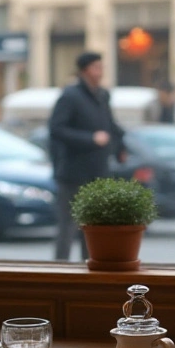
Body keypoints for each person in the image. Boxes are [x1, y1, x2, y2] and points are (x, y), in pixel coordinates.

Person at [47, 51, 125, 262]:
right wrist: (90, 138)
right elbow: (56, 129)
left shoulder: (102, 95)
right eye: (96, 68)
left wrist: (120, 147)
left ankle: (89, 268)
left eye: (101, 68)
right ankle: (59, 271)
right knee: (68, 226)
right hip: (73, 173)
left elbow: (110, 125)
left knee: (92, 227)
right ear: (85, 71)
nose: (100, 72)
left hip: (98, 171)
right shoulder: (70, 96)